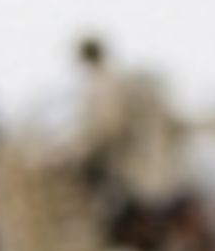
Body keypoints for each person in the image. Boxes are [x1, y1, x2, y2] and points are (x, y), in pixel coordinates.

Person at [71, 36, 185, 215]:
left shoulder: (103, 84)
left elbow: (108, 126)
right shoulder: (119, 78)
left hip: (131, 165)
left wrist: (82, 148)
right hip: (146, 161)